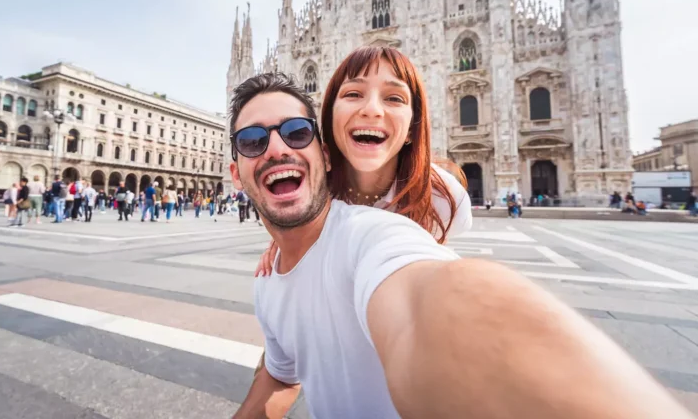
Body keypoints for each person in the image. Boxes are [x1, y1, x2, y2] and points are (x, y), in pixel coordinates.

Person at [228, 73, 692, 419]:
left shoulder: (372, 238)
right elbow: (280, 374)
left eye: (296, 132)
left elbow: (430, 300)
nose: (275, 148)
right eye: (252, 140)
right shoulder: (270, 283)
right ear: (236, 173)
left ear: (324, 154)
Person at [255, 47, 471, 276]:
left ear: (411, 128)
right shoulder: (307, 189)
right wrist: (288, 236)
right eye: (353, 94)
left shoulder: (442, 198)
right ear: (329, 117)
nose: (372, 110)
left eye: (394, 98)